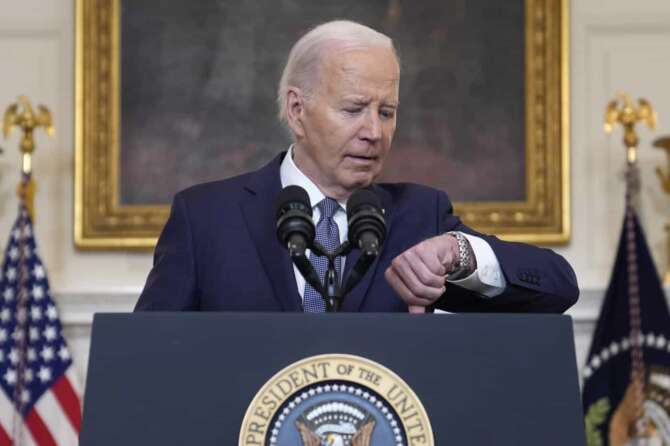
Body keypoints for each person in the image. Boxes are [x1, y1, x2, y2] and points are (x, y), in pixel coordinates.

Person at [135, 20, 578, 313]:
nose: (374, 132)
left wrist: (458, 253)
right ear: (296, 110)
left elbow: (558, 287)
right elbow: (147, 357)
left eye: (387, 112)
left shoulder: (418, 217)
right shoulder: (206, 217)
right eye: (353, 109)